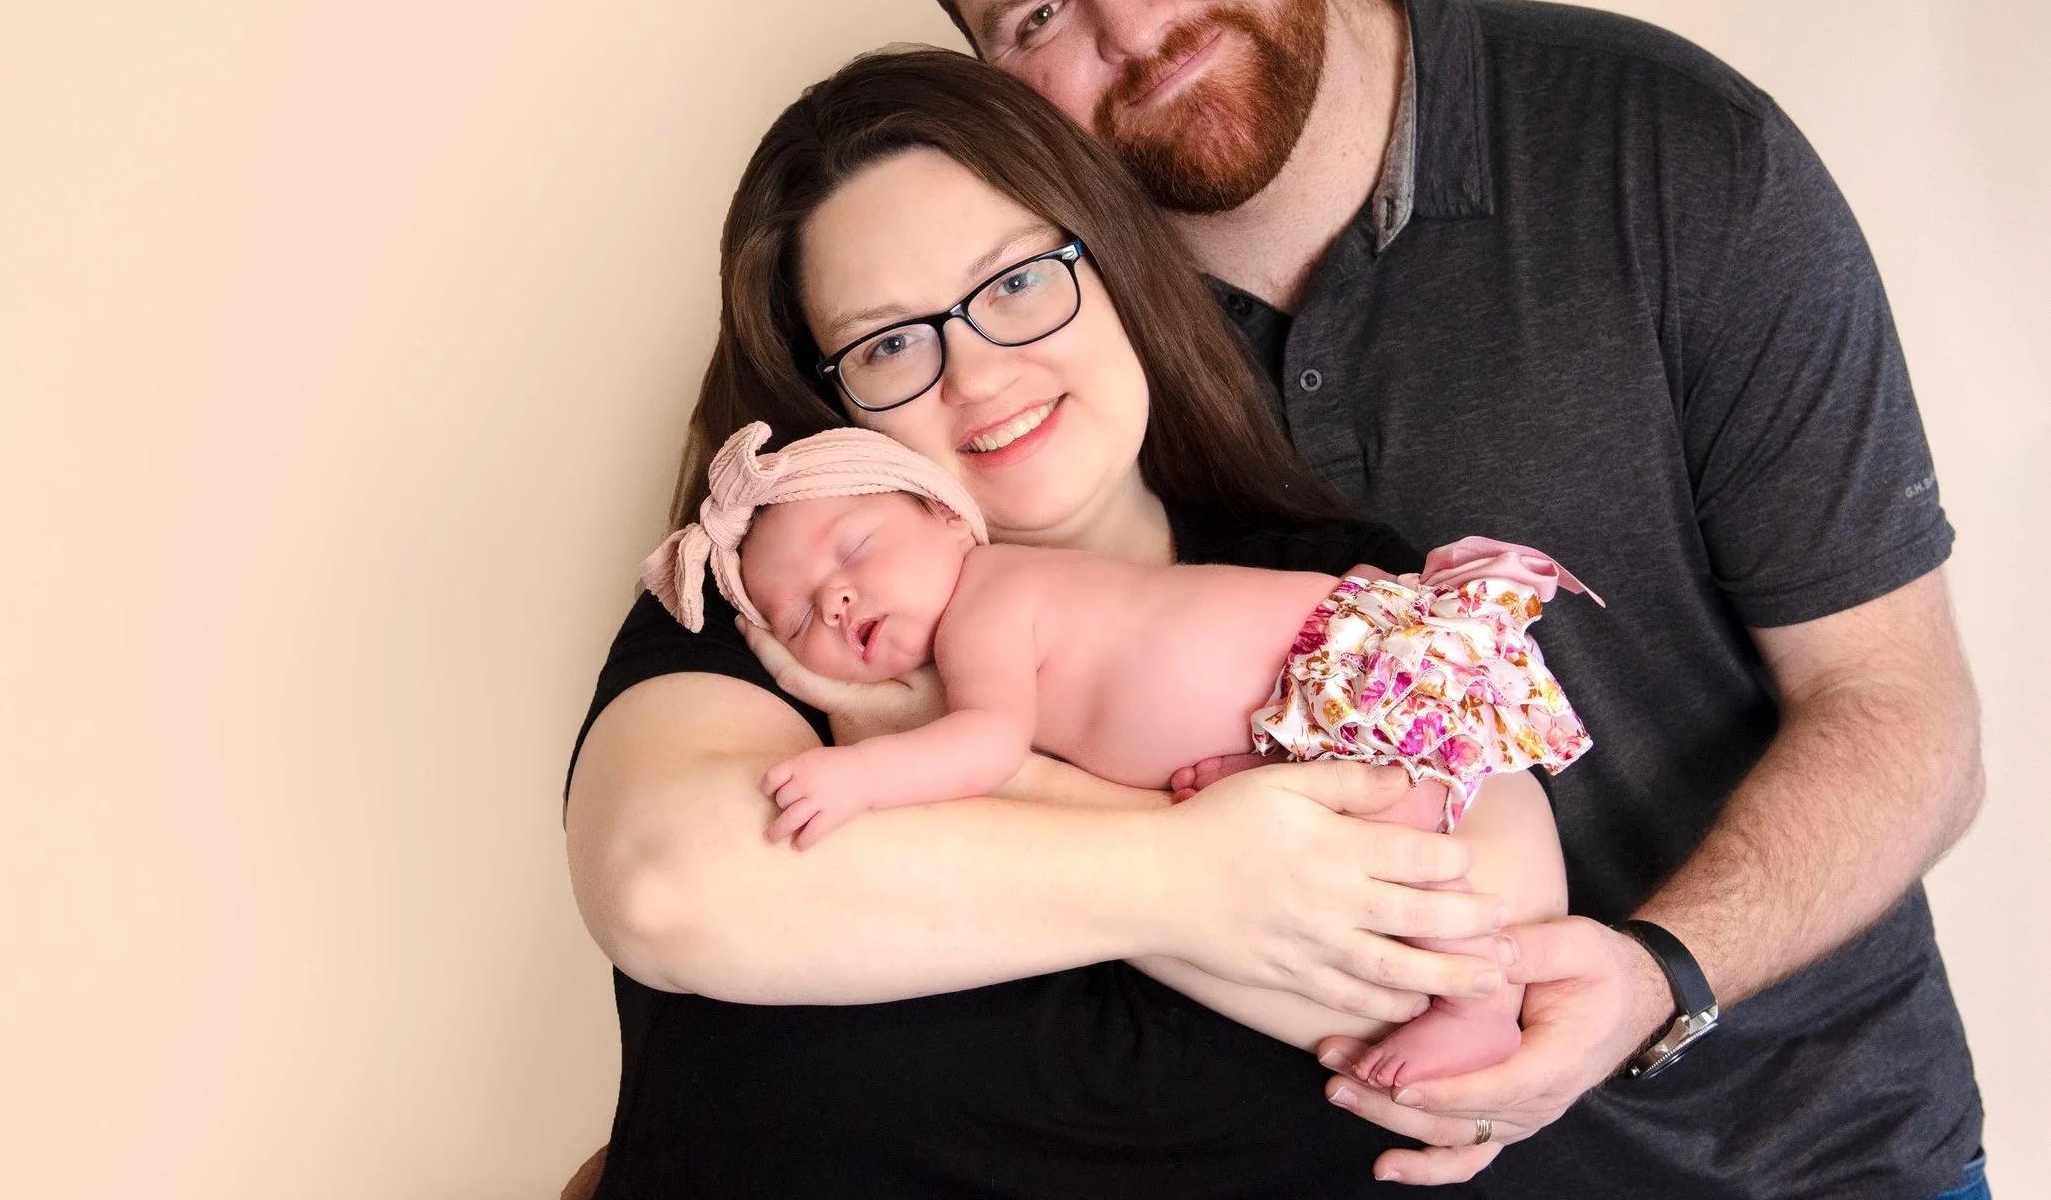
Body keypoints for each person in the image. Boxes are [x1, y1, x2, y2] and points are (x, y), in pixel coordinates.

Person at [863, 0, 1986, 1199]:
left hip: (1808, 1156)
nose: (1138, 32)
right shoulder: (1018, 334)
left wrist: (1660, 972)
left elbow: (1903, 717)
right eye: (1039, 15)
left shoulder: (1670, 154)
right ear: (996, 72)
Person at [566, 48, 1543, 1198]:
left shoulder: (1338, 604)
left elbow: (1468, 972)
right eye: (888, 343)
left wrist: (1000, 774)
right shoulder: (783, 613)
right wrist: (1189, 874)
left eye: (1018, 281)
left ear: (1117, 264)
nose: (978, 375)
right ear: (833, 415)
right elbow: (670, 887)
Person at [645, 419, 1600, 1088]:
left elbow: (982, 748)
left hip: (1339, 672)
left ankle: (1474, 1006)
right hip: (1290, 708)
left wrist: (858, 771)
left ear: (945, 515)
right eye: (802, 613)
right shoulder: (994, 600)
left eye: (853, 550)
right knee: (1351, 833)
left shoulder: (988, 598)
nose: (840, 600)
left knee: (1401, 833)